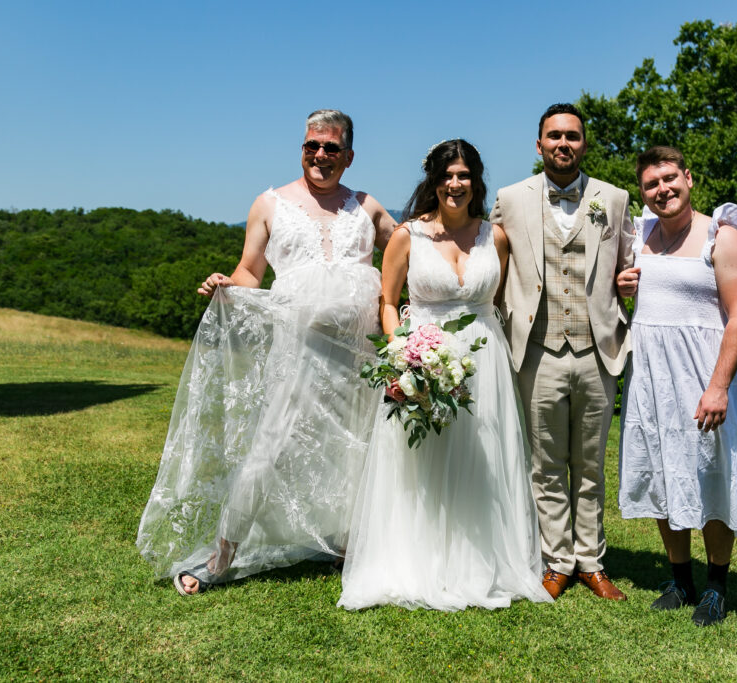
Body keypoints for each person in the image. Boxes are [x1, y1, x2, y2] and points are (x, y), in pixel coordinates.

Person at [137, 109, 396, 595]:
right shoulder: (270, 203)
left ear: (349, 155)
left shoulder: (368, 207)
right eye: (311, 146)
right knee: (271, 447)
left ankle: (348, 542)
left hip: (361, 356)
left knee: (359, 448)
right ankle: (222, 555)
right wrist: (224, 284)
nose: (320, 155)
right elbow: (250, 273)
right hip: (298, 351)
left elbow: (405, 254)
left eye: (331, 148)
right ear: (301, 148)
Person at [338, 140, 552, 611]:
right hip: (423, 359)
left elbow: (498, 303)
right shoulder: (407, 236)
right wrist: (405, 354)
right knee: (424, 465)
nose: (455, 184)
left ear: (476, 181)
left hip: (484, 360)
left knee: (484, 459)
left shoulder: (493, 237)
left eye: (464, 175)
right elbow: (388, 302)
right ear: (433, 182)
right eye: (446, 175)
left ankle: (481, 562)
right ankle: (421, 561)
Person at [489, 104, 639, 601]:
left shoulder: (614, 200)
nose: (563, 144)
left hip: (599, 348)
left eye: (572, 136)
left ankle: (592, 562)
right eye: (554, 136)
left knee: (591, 464)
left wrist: (630, 281)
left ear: (585, 143)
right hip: (537, 348)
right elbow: (487, 262)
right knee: (547, 464)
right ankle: (556, 562)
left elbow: (633, 264)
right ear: (539, 145)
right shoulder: (509, 199)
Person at [618, 145, 737, 626]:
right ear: (644, 192)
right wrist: (623, 284)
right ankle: (680, 579)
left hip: (704, 376)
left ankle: (716, 584)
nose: (663, 189)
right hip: (652, 376)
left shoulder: (722, 235)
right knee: (659, 470)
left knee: (712, 473)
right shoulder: (639, 235)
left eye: (670, 178)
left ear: (689, 178)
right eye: (652, 184)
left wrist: (718, 387)